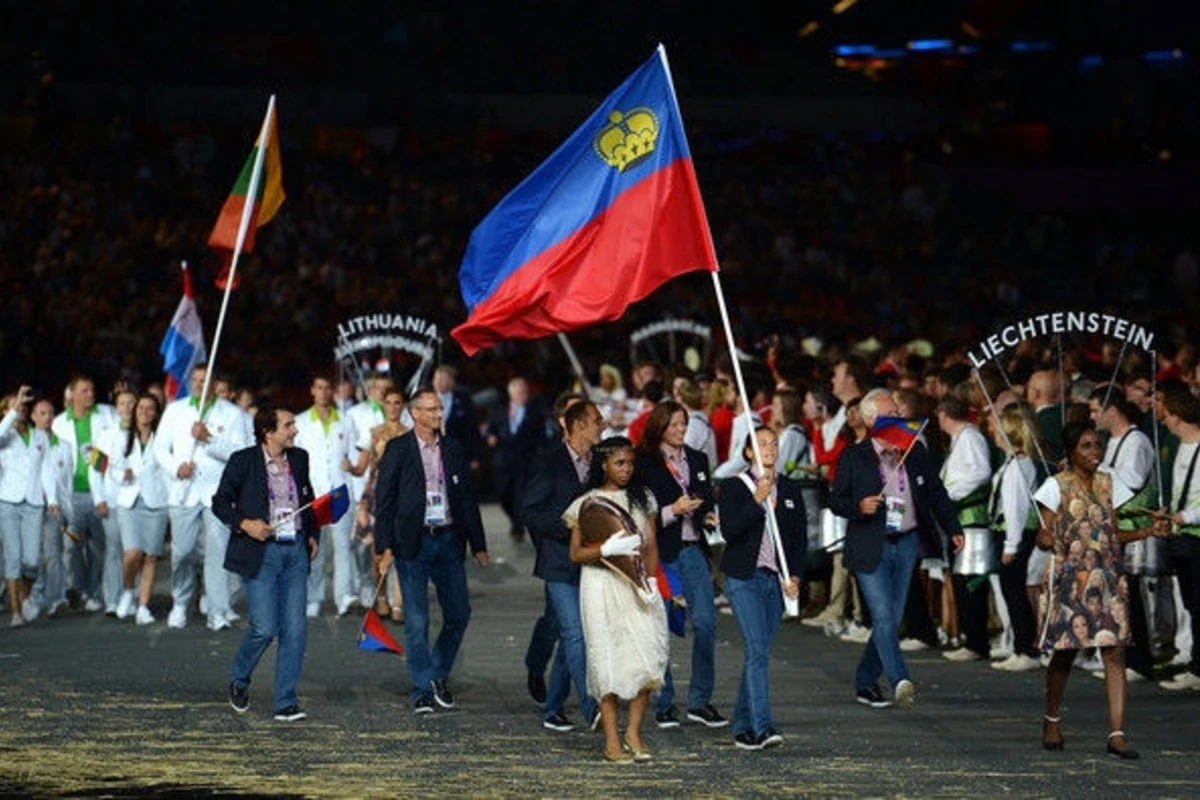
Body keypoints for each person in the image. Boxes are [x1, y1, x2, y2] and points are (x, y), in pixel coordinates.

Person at [1034, 421, 1169, 759]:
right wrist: (1045, 538)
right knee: (1065, 653)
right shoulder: (1055, 486)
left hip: (1109, 575)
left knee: (1114, 652)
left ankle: (1117, 734)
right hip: (1069, 577)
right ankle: (1051, 721)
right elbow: (1042, 533)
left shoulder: (1111, 483)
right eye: (1086, 446)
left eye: (1097, 445)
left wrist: (1146, 532)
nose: (1095, 452)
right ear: (1070, 451)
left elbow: (1110, 532)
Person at [828, 388, 963, 710]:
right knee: (884, 616)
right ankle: (899, 678)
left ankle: (865, 681)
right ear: (872, 419)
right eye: (892, 413)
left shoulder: (913, 451)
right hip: (869, 545)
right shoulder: (853, 455)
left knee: (892, 616)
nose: (901, 418)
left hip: (905, 543)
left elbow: (936, 494)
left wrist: (953, 528)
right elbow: (835, 500)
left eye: (900, 412)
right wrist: (859, 507)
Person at [374, 388, 489, 714]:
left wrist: (478, 544)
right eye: (433, 409)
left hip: (448, 540)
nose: (440, 413)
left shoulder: (452, 448)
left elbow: (467, 497)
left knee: (459, 613)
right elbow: (385, 500)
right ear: (416, 414)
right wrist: (382, 547)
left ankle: (437, 672)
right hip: (413, 542)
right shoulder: (398, 449)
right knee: (417, 619)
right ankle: (422, 689)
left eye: (440, 408)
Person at [565, 436, 669, 763]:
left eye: (630, 463)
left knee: (647, 655)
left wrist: (650, 581)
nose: (626, 469)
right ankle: (611, 739)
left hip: (637, 584)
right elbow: (576, 553)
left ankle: (633, 732)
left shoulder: (643, 499)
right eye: (619, 463)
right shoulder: (588, 502)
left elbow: (651, 545)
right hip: (600, 585)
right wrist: (605, 550)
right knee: (605, 658)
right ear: (604, 464)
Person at [213, 404, 319, 722]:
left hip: (296, 551)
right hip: (262, 552)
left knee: (296, 630)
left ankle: (285, 701)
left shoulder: (299, 459)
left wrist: (313, 534)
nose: (295, 430)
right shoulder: (242, 461)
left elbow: (308, 498)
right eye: (288, 425)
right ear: (268, 431)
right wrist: (246, 524)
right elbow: (220, 502)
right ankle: (239, 678)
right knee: (264, 627)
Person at [634, 401, 725, 729]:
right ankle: (665, 700)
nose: (680, 431)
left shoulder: (698, 459)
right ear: (659, 427)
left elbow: (706, 498)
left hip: (693, 550)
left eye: (683, 425)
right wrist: (673, 509)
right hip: (661, 552)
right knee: (660, 628)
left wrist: (709, 514)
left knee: (705, 623)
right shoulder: (644, 463)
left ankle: (700, 701)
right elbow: (639, 513)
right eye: (674, 425)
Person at [718, 426, 805, 750]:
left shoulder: (791, 489)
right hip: (744, 579)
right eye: (762, 444)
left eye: (773, 443)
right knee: (756, 650)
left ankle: (743, 727)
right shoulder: (734, 487)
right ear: (749, 452)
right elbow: (730, 531)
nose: (769, 449)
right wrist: (756, 501)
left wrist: (794, 575)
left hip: (775, 582)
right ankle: (764, 726)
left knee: (758, 653)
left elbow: (796, 540)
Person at [522, 398, 603, 732]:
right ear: (579, 425)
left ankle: (553, 707)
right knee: (575, 633)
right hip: (558, 563)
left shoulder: (600, 463)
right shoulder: (549, 461)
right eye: (597, 420)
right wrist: (567, 526)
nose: (604, 424)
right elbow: (531, 510)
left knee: (570, 633)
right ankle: (590, 705)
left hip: (593, 562)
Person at [153, 365, 253, 630]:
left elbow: (243, 454)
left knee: (218, 554)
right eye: (195, 380)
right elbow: (160, 448)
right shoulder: (176, 410)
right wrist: (176, 467)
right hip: (183, 494)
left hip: (217, 496)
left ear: (214, 383)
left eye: (204, 380)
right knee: (182, 553)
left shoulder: (233, 414)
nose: (199, 384)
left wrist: (209, 438)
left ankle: (218, 611)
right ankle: (181, 602)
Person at [295, 373, 365, 618]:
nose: (323, 392)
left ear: (333, 391)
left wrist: (352, 468)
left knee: (343, 547)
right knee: (315, 547)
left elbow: (355, 458)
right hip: (313, 495)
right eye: (319, 387)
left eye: (327, 388)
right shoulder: (301, 422)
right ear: (312, 391)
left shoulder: (345, 421)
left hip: (339, 493)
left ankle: (344, 596)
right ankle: (314, 597)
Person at [51, 375, 119, 612]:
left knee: (100, 546)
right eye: (84, 391)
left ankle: (94, 592)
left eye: (91, 390)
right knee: (73, 545)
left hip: (100, 492)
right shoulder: (59, 423)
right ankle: (78, 588)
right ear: (72, 395)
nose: (90, 394)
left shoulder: (107, 414)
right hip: (71, 495)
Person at [989, 404, 1043, 672]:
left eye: (998, 429)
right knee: (1012, 592)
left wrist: (1011, 544)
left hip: (1014, 536)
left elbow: (1015, 509)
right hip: (1010, 534)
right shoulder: (1014, 464)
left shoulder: (1018, 468)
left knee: (1015, 591)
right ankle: (1020, 646)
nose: (993, 434)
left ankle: (1026, 648)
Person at [110, 394, 169, 625]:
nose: (144, 412)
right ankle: (127, 590)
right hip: (129, 501)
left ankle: (143, 606)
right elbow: (112, 468)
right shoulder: (122, 437)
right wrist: (121, 475)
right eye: (140, 408)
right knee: (132, 552)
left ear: (155, 413)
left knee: (150, 557)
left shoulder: (162, 439)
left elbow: (167, 470)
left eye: (149, 408)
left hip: (156, 502)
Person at [0, 386, 55, 627]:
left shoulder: (40, 436)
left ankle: (25, 597)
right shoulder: (4, 435)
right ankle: (15, 612)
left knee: (31, 560)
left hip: (33, 502)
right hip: (8, 502)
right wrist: (11, 412)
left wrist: (52, 499)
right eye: (15, 406)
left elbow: (47, 470)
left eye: (23, 406)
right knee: (13, 558)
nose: (20, 410)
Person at [1159, 389, 1200, 691]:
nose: (1164, 421)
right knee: (1190, 603)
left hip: (1196, 534)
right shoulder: (1180, 447)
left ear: (1177, 416)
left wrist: (1188, 516)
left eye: (1166, 415)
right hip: (1181, 536)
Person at [486, 376, 544, 541]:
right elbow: (491, 430)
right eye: (519, 392)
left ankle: (518, 528)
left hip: (526, 461)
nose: (522, 395)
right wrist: (491, 437)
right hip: (503, 460)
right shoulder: (500, 410)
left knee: (520, 495)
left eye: (525, 392)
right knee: (503, 494)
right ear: (511, 393)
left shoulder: (535, 412)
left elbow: (540, 437)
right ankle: (515, 520)